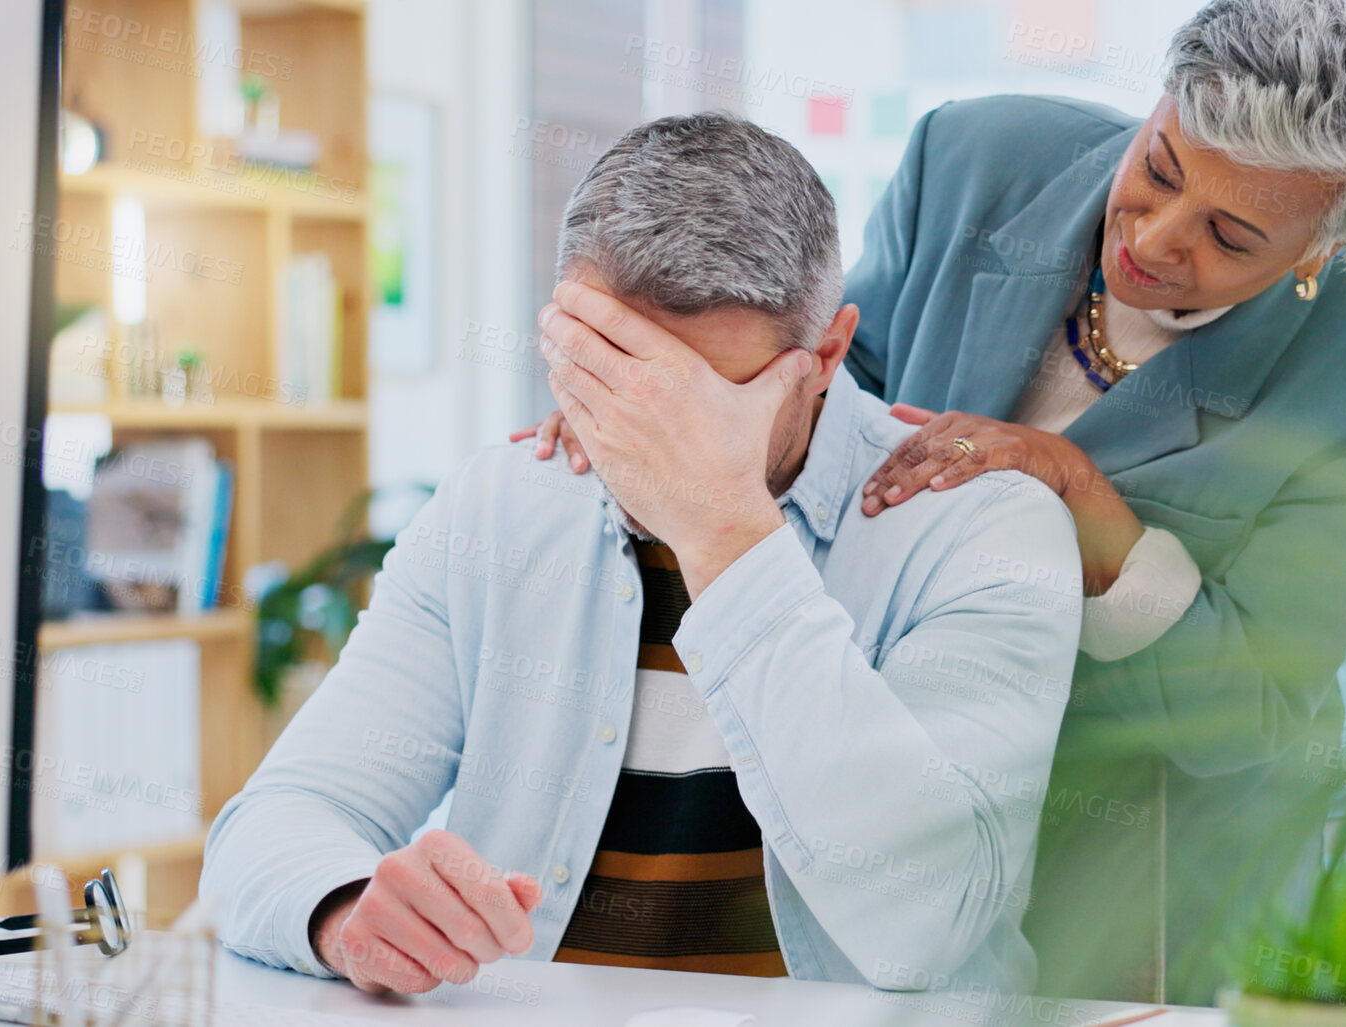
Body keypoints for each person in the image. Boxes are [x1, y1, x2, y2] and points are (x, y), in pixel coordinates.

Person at [514, 0, 1346, 1002]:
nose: (1154, 236)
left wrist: (1080, 497)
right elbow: (826, 396)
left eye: (1230, 235)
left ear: (1324, 250)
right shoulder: (973, 159)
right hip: (899, 807)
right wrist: (664, 408)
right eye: (1161, 166)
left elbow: (1255, 717)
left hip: (1144, 876)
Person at [202, 112, 1083, 997]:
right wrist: (348, 908)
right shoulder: (503, 505)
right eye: (610, 373)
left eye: (703, 398)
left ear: (825, 354)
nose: (644, 431)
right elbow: (278, 821)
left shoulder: (983, 529)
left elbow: (922, 926)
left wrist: (723, 532)